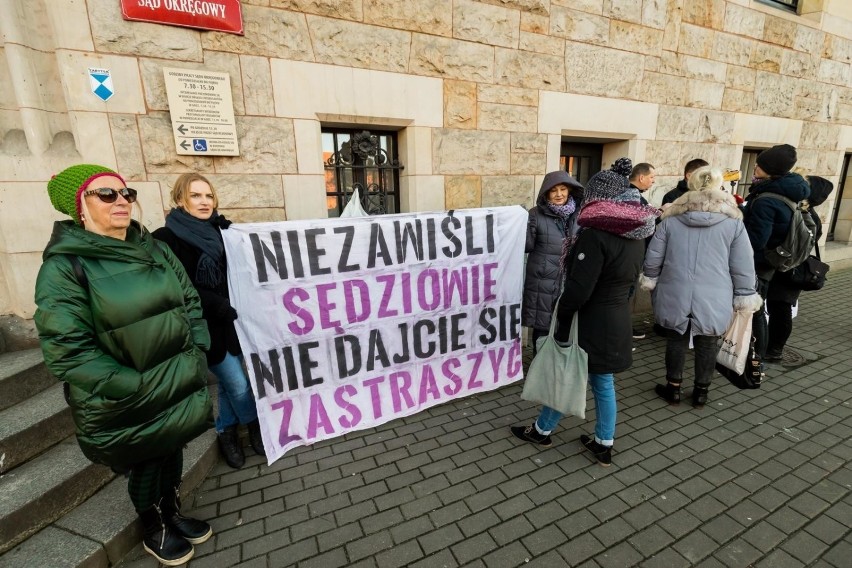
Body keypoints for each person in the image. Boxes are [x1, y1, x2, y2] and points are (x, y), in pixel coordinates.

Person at [34, 164, 214, 565]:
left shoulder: (154, 247)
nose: (122, 202)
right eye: (107, 194)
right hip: (130, 392)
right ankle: (154, 527)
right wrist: (133, 386)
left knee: (172, 449)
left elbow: (189, 302)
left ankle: (173, 513)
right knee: (147, 461)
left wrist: (197, 348)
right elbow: (69, 350)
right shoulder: (65, 268)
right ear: (80, 206)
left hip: (177, 377)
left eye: (126, 193)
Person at [511, 158, 659, 466]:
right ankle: (603, 442)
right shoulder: (634, 233)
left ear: (598, 198)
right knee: (602, 383)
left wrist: (562, 320)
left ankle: (542, 431)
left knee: (566, 375)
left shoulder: (595, 235)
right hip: (616, 318)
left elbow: (579, 290)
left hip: (589, 322)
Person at [153, 173, 265, 469]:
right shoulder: (165, 239)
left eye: (208, 196)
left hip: (234, 321)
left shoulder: (223, 231)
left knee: (229, 385)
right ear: (179, 200)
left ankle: (226, 431)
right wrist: (216, 304)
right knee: (238, 385)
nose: (204, 202)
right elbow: (175, 286)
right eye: (195, 196)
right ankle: (254, 426)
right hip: (203, 324)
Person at [641, 166, 761, 407]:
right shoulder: (733, 224)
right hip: (716, 293)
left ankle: (673, 388)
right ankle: (701, 392)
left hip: (674, 288)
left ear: (692, 185)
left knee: (676, 338)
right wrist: (745, 293)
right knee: (708, 340)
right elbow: (743, 265)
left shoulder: (670, 220)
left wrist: (651, 278)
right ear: (719, 186)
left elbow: (653, 257)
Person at [742, 144, 811, 358]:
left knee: (755, 310)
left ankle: (757, 354)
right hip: (774, 258)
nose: (755, 166)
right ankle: (759, 351)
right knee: (758, 308)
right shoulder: (787, 190)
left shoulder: (767, 199)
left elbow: (756, 239)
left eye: (760, 164)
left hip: (760, 261)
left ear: (771, 169)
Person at [765, 176, 834, 361]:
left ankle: (774, 350)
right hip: (790, 268)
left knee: (781, 309)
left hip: (790, 270)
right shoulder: (805, 212)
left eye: (806, 185)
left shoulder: (809, 217)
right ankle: (772, 347)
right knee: (777, 308)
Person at [522, 171, 584, 353]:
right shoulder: (535, 215)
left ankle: (557, 369)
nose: (559, 194)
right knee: (542, 328)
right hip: (543, 282)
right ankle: (539, 369)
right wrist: (522, 224)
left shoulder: (580, 214)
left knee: (564, 328)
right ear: (546, 193)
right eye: (553, 190)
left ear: (570, 190)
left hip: (570, 281)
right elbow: (526, 246)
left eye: (563, 189)